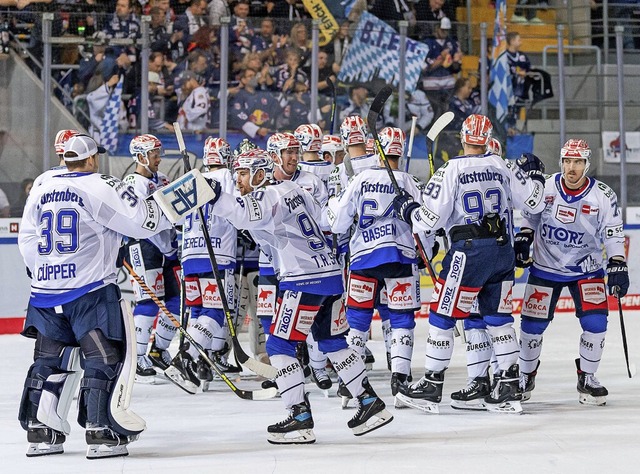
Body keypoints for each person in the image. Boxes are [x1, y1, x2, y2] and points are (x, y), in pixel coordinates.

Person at [206, 148, 393, 443]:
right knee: (332, 341)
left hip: (303, 279)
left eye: (242, 174)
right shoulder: (294, 188)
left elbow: (242, 213)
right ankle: (369, 402)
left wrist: (216, 197)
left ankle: (299, 416)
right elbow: (321, 220)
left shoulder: (265, 196)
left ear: (259, 174)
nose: (237, 180)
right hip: (330, 275)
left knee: (279, 345)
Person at [18, 134, 172, 458]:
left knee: (50, 359)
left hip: (45, 295)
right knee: (103, 356)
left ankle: (42, 432)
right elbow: (143, 223)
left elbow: (28, 235)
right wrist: (173, 203)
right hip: (89, 292)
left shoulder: (44, 183)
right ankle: (101, 431)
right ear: (91, 160)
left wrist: (44, 271)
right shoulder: (100, 184)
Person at [392, 114, 546, 413]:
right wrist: (537, 177)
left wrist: (409, 208)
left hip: (469, 253)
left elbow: (428, 220)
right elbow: (534, 203)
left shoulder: (451, 168)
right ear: (488, 139)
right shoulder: (502, 165)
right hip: (503, 252)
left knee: (442, 315)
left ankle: (432, 383)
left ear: (463, 138)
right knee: (498, 317)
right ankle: (509, 384)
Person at [515, 139, 628, 406]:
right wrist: (524, 237)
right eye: (567, 161)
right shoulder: (544, 186)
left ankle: (587, 377)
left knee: (596, 324)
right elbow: (530, 215)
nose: (571, 167)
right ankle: (525, 375)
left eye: (577, 162)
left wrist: (618, 263)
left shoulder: (603, 194)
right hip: (545, 267)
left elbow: (613, 232)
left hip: (586, 270)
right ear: (561, 162)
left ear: (586, 164)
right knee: (532, 326)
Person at [327, 127, 422, 399]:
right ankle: (401, 377)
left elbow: (340, 222)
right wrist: (426, 251)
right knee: (401, 317)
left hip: (363, 257)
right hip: (400, 256)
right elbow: (423, 224)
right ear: (400, 151)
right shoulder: (409, 181)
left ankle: (351, 379)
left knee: (357, 318)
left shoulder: (361, 179)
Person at [165, 137, 239, 393]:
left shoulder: (190, 178)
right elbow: (240, 210)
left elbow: (172, 217)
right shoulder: (229, 176)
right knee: (215, 313)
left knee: (197, 312)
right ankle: (184, 357)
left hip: (190, 256)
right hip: (217, 255)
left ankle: (200, 361)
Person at [122, 135, 181, 382]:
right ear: (141, 156)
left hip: (167, 248)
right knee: (148, 301)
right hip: (143, 245)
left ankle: (159, 349)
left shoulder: (162, 179)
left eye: (158, 153)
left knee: (177, 301)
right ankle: (137, 357)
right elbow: (138, 218)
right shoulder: (131, 183)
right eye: (154, 154)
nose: (159, 158)